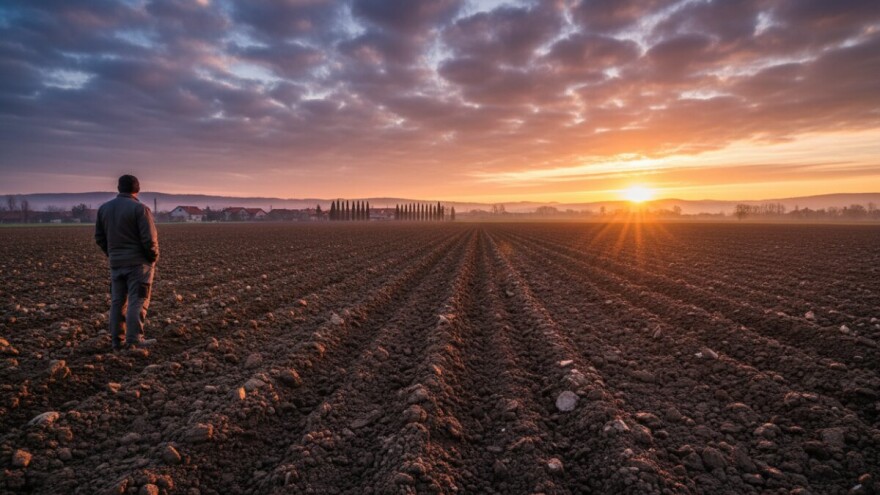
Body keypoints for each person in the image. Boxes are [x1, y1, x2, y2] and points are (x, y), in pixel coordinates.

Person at [95, 175, 159, 351]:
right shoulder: (140, 209)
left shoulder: (104, 209)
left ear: (118, 188)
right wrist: (152, 257)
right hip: (139, 264)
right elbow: (149, 239)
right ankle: (134, 339)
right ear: (137, 189)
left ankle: (117, 341)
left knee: (117, 302)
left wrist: (112, 254)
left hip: (116, 263)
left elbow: (99, 237)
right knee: (137, 300)